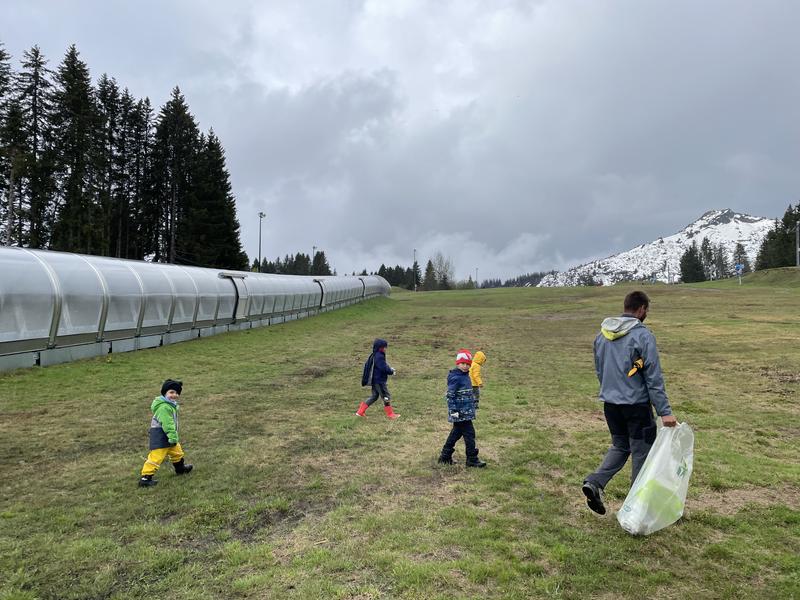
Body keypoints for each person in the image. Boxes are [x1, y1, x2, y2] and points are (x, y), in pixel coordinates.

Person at [582, 291, 677, 514]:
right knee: (642, 455)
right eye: (647, 310)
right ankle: (636, 510)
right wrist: (665, 412)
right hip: (637, 407)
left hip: (611, 405)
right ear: (642, 309)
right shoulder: (643, 336)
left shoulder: (602, 336)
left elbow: (600, 370)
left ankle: (595, 482)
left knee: (620, 446)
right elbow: (652, 376)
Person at [138, 379, 193, 487]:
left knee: (177, 452)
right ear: (164, 393)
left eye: (177, 393)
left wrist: (172, 437)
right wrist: (172, 436)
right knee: (156, 457)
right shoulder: (164, 407)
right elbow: (167, 424)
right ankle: (145, 478)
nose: (174, 395)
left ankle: (180, 468)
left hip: (168, 435)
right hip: (161, 435)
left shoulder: (170, 405)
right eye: (171, 392)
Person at [438, 349, 486, 467]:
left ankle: (445, 456)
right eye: (463, 364)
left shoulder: (466, 376)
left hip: (466, 412)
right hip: (459, 413)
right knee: (470, 434)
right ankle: (472, 459)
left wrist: (473, 404)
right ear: (458, 363)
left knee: (456, 433)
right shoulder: (456, 377)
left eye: (467, 364)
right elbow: (450, 395)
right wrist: (453, 411)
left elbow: (468, 393)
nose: (465, 366)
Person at [356, 338, 400, 419]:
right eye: (384, 347)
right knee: (386, 396)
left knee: (374, 396)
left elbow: (383, 365)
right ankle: (390, 414)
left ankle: (360, 412)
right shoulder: (379, 356)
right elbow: (383, 367)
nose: (385, 349)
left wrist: (390, 369)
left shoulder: (375, 354)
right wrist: (391, 371)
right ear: (380, 348)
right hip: (379, 381)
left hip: (375, 380)